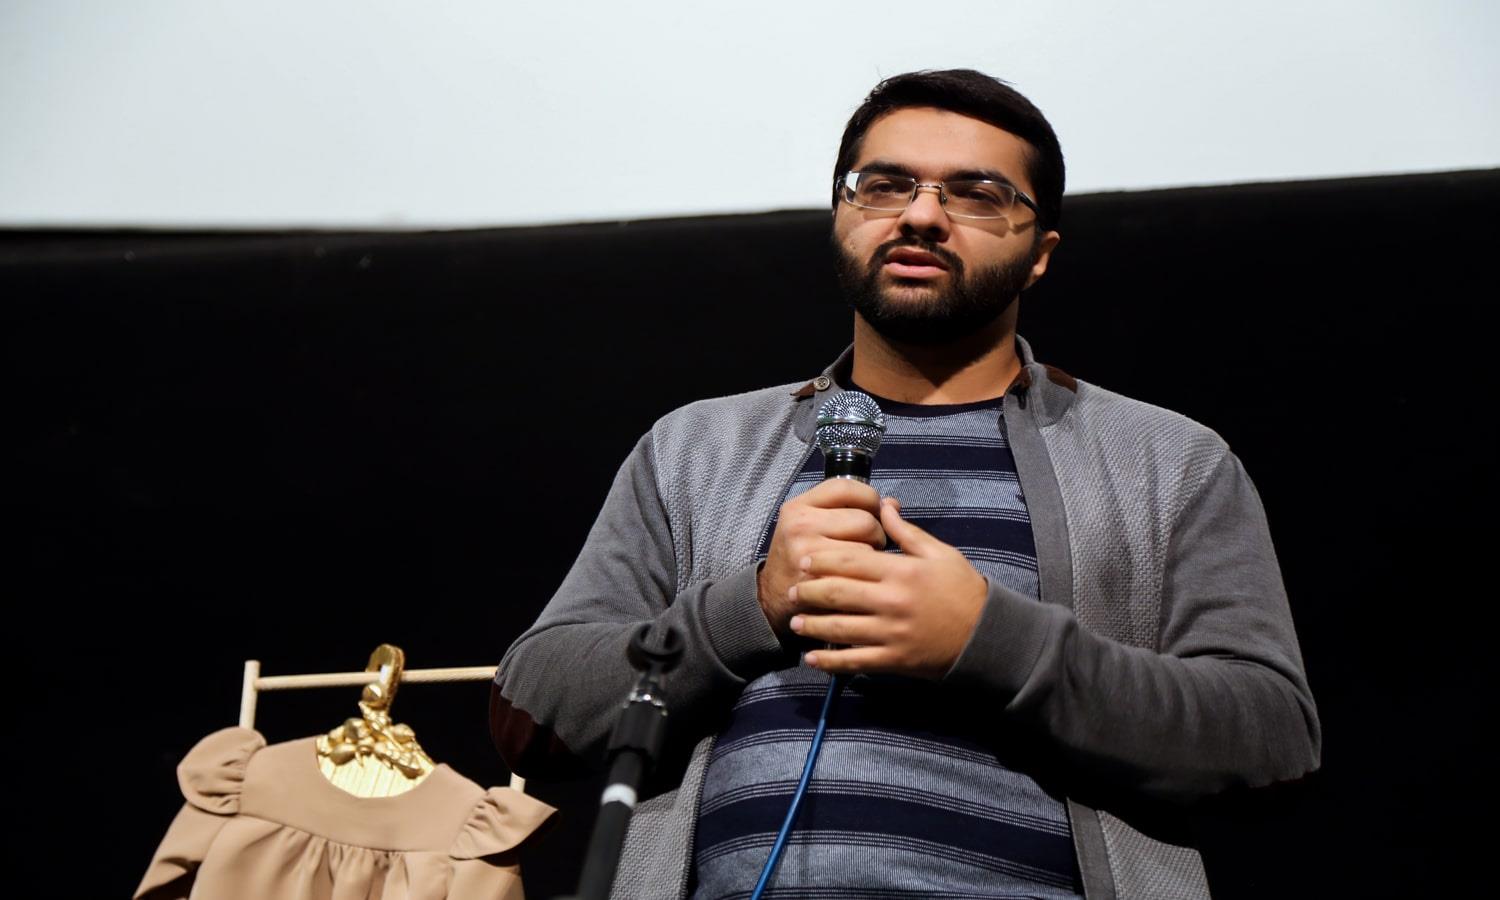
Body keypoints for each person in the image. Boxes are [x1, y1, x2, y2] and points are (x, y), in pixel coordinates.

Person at [490, 69, 1320, 899]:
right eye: (884, 186)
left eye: (977, 195)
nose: (920, 216)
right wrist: (754, 604)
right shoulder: (697, 447)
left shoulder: (1167, 461)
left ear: (1040, 254)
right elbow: (532, 714)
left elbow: (1272, 743)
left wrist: (990, 641)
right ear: (841, 214)